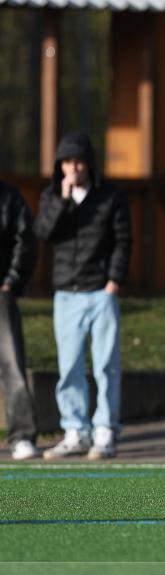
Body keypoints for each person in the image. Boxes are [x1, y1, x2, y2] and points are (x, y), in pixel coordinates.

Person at [35, 132, 132, 460]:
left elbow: (123, 239)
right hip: (66, 293)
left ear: (89, 165)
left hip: (101, 292)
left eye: (78, 162)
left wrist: (114, 280)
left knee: (107, 366)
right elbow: (43, 233)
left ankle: (105, 430)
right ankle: (75, 431)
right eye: (67, 163)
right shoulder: (52, 197)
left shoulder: (110, 197)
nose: (73, 169)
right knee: (70, 366)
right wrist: (63, 200)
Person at [0, 181, 40, 460]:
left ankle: (22, 436)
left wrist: (12, 281)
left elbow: (26, 239)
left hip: (1, 294)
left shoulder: (9, 197)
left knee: (12, 364)